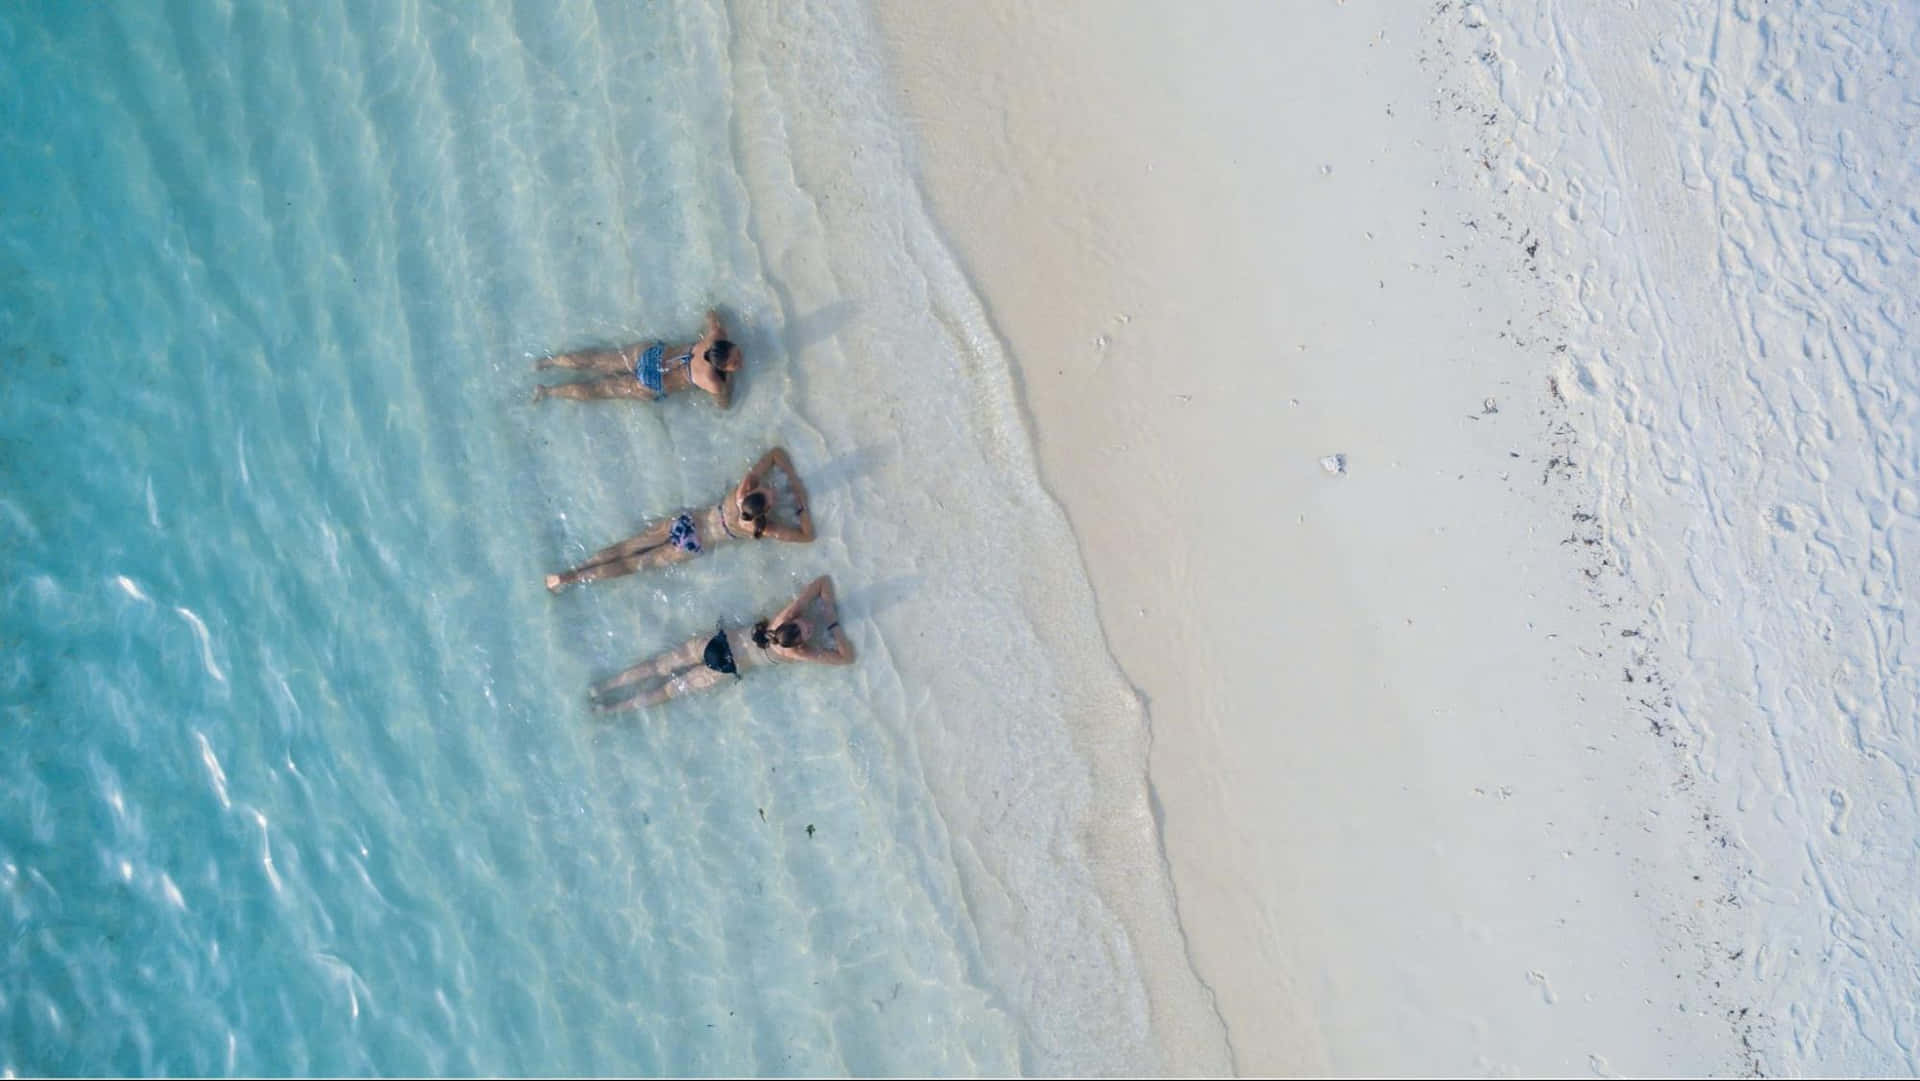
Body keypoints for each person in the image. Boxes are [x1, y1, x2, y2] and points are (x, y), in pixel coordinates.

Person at [545, 448, 814, 592]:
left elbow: (775, 453)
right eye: (771, 495)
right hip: (694, 543)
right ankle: (575, 580)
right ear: (765, 511)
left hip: (687, 522)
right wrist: (798, 496)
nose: (772, 492)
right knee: (633, 564)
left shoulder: (742, 491)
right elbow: (806, 536)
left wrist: (781, 470)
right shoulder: (759, 527)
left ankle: (571, 573)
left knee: (628, 546)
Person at [591, 576, 854, 713]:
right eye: (807, 629)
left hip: (716, 643)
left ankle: (606, 690)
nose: (808, 626)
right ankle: (612, 706)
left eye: (805, 628)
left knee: (660, 667)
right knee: (668, 691)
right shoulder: (798, 652)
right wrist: (831, 621)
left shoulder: (780, 620)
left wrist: (816, 605)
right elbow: (845, 657)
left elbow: (820, 583)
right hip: (725, 666)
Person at [532, 309, 741, 406]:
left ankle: (547, 362)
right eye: (735, 362)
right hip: (653, 383)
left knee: (597, 359)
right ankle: (548, 391)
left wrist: (714, 321)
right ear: (721, 367)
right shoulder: (713, 382)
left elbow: (711, 314)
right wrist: (728, 381)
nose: (740, 363)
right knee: (600, 389)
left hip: (651, 355)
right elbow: (724, 404)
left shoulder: (715, 335)